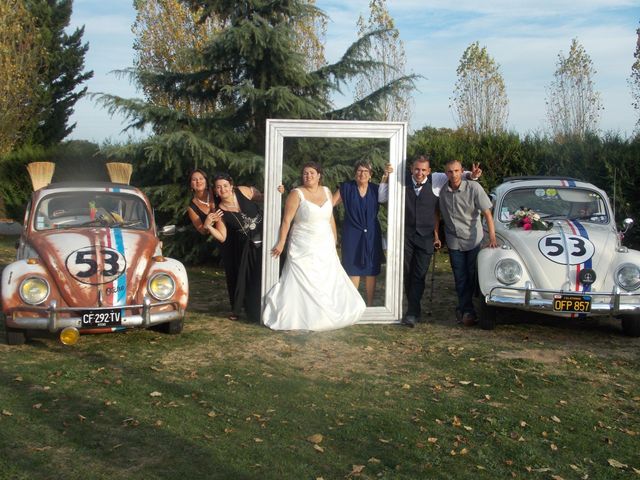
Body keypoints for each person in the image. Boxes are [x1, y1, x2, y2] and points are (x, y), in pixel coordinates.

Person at [263, 162, 366, 331]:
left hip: (324, 243)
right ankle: (302, 316)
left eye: (311, 173)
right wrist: (281, 242)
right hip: (302, 244)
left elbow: (330, 217)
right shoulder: (296, 194)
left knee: (327, 277)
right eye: (305, 173)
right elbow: (287, 220)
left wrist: (334, 240)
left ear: (319, 175)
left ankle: (330, 311)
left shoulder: (326, 191)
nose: (308, 176)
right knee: (304, 277)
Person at [402, 155, 482, 327]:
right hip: (406, 236)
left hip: (426, 237)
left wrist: (472, 176)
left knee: (419, 274)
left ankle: (412, 312)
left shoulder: (435, 180)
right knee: (407, 273)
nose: (420, 173)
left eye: (423, 170)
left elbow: (456, 174)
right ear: (411, 169)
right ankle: (413, 306)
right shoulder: (402, 181)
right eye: (417, 169)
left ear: (429, 171)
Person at [439, 159, 498, 326]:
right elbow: (437, 213)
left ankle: (474, 305)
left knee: (473, 274)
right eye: (450, 172)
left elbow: (487, 213)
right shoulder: (442, 191)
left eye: (456, 171)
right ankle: (466, 311)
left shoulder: (474, 188)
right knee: (460, 276)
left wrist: (492, 237)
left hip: (474, 239)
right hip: (454, 239)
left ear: (461, 171)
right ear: (446, 174)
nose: (453, 174)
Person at [332, 161, 392, 306]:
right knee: (353, 268)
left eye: (366, 171)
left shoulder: (376, 189)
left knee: (371, 269)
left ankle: (369, 304)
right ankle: (353, 305)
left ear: (370, 175)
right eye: (359, 171)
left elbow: (386, 198)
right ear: (355, 173)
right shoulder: (346, 188)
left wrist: (387, 175)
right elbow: (328, 205)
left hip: (372, 233)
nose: (362, 174)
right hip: (352, 233)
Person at [213, 172, 265, 323]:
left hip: (265, 236)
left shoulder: (243, 191)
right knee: (251, 277)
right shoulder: (220, 212)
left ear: (231, 186)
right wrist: (208, 226)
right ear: (215, 191)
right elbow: (222, 236)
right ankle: (253, 308)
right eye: (218, 187)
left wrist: (278, 192)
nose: (222, 189)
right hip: (247, 247)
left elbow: (264, 197)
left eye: (225, 186)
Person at [186, 168, 226, 241]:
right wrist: (206, 224)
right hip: (217, 241)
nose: (198, 181)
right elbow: (203, 231)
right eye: (194, 180)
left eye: (201, 178)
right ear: (191, 185)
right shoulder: (192, 207)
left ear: (206, 181)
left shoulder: (216, 190)